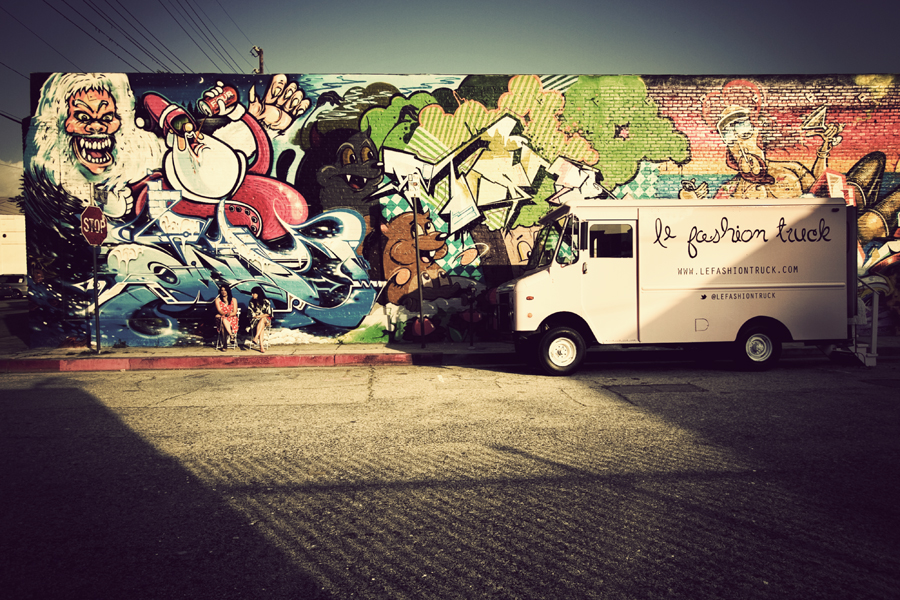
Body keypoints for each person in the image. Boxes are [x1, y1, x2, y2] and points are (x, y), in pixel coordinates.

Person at [246, 286, 274, 352]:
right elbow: (250, 313)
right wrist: (257, 317)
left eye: (254, 293)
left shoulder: (266, 301)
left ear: (258, 293)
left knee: (263, 319)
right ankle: (261, 346)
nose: (252, 295)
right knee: (261, 325)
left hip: (266, 320)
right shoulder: (251, 302)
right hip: (255, 321)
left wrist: (260, 316)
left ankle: (256, 337)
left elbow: (269, 313)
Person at [214, 284, 239, 350]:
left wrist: (229, 314)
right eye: (222, 290)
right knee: (223, 320)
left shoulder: (233, 300)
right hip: (222, 317)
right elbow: (219, 310)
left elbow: (234, 312)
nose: (223, 292)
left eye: (225, 290)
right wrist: (225, 314)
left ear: (228, 291)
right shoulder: (217, 300)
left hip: (232, 318)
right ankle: (231, 335)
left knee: (223, 323)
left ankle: (225, 345)